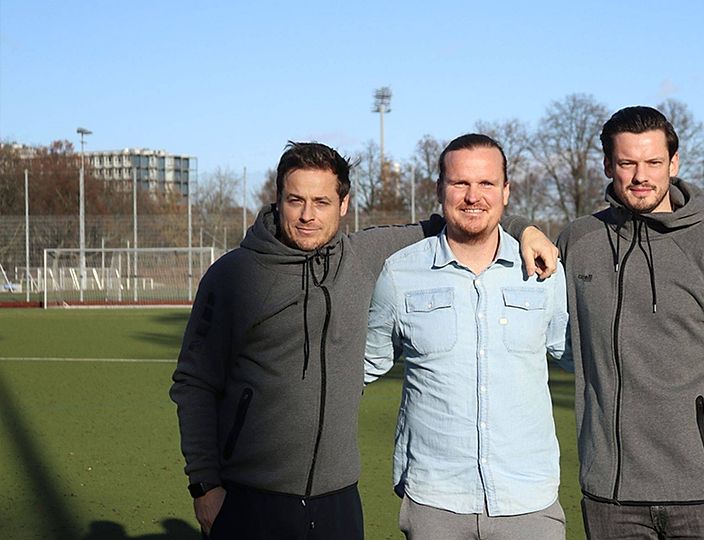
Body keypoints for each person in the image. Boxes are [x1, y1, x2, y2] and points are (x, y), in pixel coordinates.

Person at [170, 141, 558, 539]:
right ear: (278, 200)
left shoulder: (363, 257)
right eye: (295, 200)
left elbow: (465, 218)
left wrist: (522, 228)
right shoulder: (232, 275)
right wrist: (204, 486)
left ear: (343, 204)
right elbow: (194, 383)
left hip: (338, 500)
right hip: (250, 497)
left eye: (321, 201)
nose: (307, 215)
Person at [557, 107, 704, 540]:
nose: (640, 175)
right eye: (627, 163)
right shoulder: (578, 242)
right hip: (611, 497)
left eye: (653, 162)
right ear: (608, 165)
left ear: (674, 163)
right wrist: (520, 226)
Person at [364, 134, 569, 540]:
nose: (473, 196)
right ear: (440, 189)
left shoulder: (544, 272)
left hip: (528, 502)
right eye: (460, 183)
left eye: (487, 184)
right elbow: (362, 364)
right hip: (435, 503)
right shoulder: (400, 274)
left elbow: (584, 358)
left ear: (506, 192)